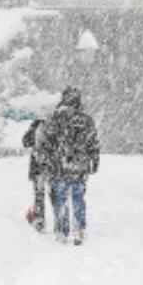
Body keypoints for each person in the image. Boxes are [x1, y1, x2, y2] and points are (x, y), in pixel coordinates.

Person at [37, 87, 99, 245]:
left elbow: (46, 144)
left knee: (61, 198)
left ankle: (63, 231)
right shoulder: (86, 120)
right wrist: (94, 161)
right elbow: (93, 143)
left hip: (59, 166)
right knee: (78, 198)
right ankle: (78, 230)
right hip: (79, 166)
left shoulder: (55, 119)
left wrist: (46, 161)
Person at [20, 117, 49, 232]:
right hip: (53, 167)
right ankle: (59, 224)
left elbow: (25, 142)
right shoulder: (56, 123)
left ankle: (40, 221)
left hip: (38, 167)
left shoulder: (36, 125)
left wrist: (32, 128)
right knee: (55, 196)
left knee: (39, 195)